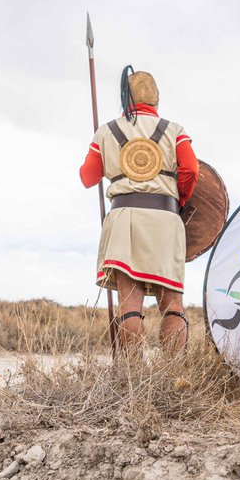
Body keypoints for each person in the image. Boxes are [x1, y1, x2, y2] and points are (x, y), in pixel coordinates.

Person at [79, 67, 199, 350]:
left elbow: (88, 177)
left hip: (124, 219)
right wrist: (178, 201)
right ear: (157, 101)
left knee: (129, 305)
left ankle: (133, 377)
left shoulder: (106, 131)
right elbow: (191, 170)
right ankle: (172, 376)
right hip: (165, 219)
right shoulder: (174, 130)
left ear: (126, 100)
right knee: (172, 306)